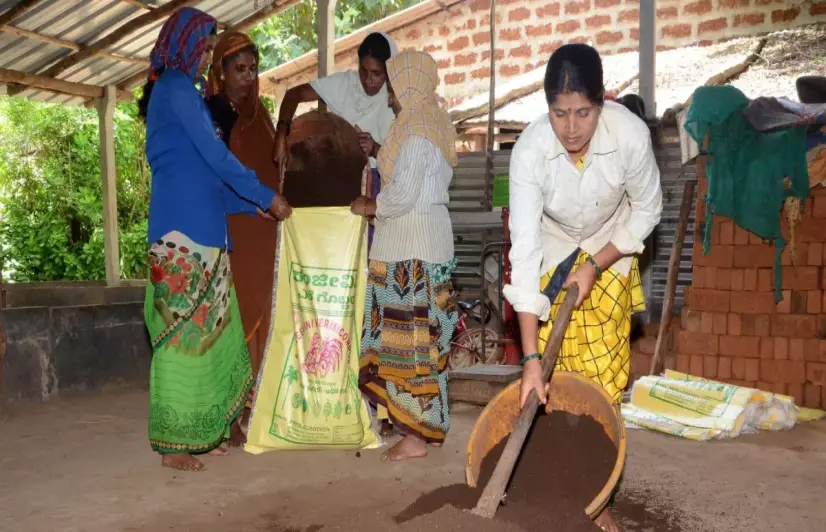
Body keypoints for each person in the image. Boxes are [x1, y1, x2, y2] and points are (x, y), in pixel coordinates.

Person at [504, 44, 662, 531]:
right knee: (555, 376)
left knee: (601, 376)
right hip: (553, 252)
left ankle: (598, 495)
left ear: (603, 102)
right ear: (546, 106)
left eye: (583, 113)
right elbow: (525, 254)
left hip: (610, 247)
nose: (571, 128)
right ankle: (555, 488)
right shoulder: (530, 152)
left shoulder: (630, 136)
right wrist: (531, 361)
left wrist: (597, 262)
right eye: (559, 114)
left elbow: (648, 210)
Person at [139, 7, 292, 472]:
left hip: (206, 234)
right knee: (181, 343)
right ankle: (173, 446)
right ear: (183, 44)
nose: (206, 59)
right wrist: (268, 195)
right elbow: (217, 159)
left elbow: (213, 179)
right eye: (205, 49)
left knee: (210, 341)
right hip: (180, 236)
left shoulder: (181, 94)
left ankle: (201, 432)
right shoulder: (175, 89)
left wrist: (256, 208)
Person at [274, 31, 399, 436]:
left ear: (388, 72)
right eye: (364, 72)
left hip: (368, 206)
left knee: (366, 296)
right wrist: (281, 132)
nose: (369, 82)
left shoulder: (395, 104)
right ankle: (321, 389)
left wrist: (377, 147)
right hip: (328, 210)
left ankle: (367, 396)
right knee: (330, 292)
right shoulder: (341, 86)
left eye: (377, 75)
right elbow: (292, 95)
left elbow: (402, 164)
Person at [350, 51, 459, 461]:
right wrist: (378, 154)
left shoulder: (415, 133)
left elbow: (404, 193)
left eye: (394, 89)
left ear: (410, 88)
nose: (392, 98)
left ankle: (415, 437)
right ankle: (423, 430)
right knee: (424, 345)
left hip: (410, 259)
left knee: (411, 348)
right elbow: (415, 176)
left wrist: (369, 205)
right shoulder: (429, 127)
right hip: (424, 250)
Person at [205, 31, 280, 432]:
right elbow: (215, 175)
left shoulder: (260, 116)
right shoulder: (209, 116)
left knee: (266, 309)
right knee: (231, 313)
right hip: (228, 227)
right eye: (239, 69)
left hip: (265, 231)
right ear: (221, 71)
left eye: (253, 69)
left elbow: (271, 169)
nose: (248, 77)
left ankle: (260, 405)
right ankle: (231, 412)